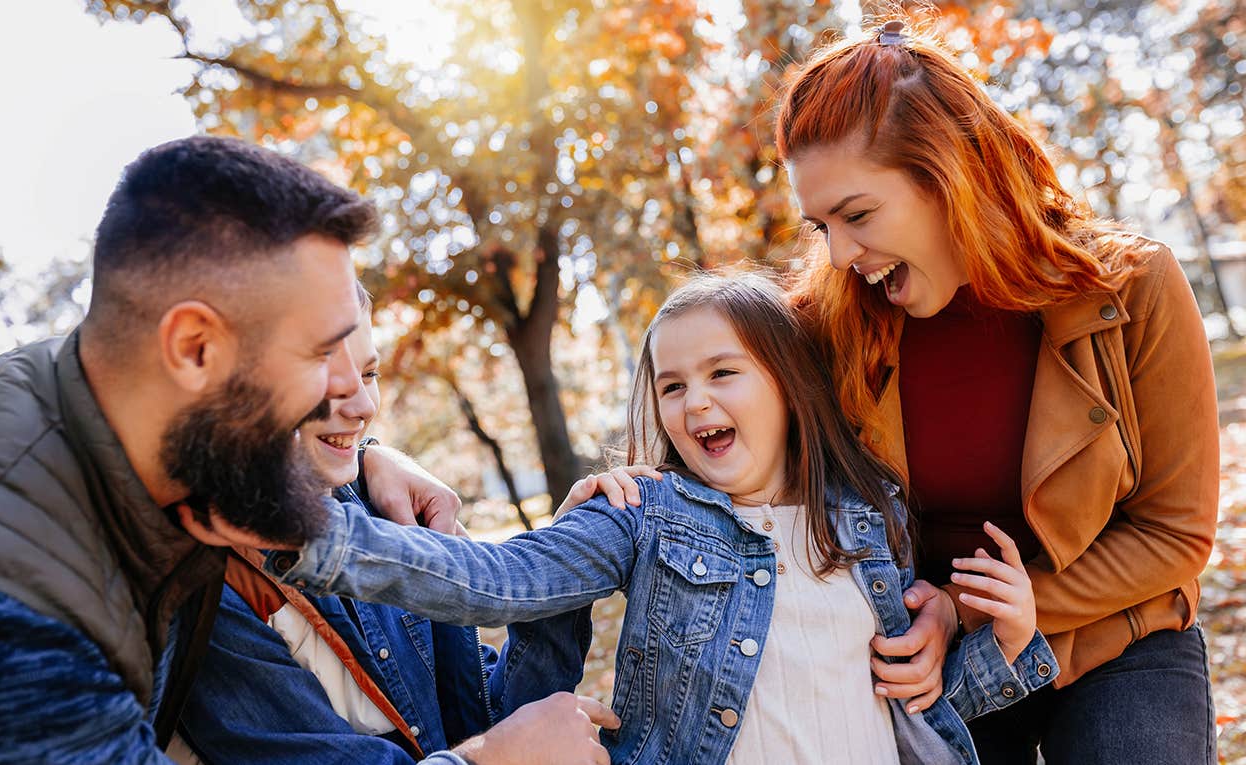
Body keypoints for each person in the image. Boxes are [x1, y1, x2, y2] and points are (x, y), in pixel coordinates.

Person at [0, 135, 609, 764]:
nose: (347, 393)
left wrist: (361, 452)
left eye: (361, 366)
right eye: (322, 354)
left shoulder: (136, 396)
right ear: (194, 347)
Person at [189, 272, 1061, 765]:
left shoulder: (870, 520)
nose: (694, 402)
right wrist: (317, 535)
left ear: (789, 387)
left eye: (724, 372)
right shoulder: (646, 514)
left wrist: (1011, 643)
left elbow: (911, 700)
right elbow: (490, 578)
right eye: (671, 385)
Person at [775, 19, 1219, 763]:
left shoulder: (1133, 288)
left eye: (857, 215)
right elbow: (722, 427)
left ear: (949, 173)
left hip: (1120, 634)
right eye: (822, 226)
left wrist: (976, 605)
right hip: (935, 659)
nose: (842, 254)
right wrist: (633, 482)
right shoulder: (827, 327)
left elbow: (1175, 534)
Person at [171, 283, 618, 765]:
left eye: (369, 372)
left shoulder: (387, 507)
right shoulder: (207, 585)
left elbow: (478, 711)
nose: (363, 405)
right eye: (326, 375)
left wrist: (559, 565)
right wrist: (493, 758)